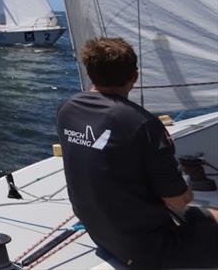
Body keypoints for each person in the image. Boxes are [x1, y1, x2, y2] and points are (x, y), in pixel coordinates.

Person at [56, 37, 218, 268]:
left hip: (101, 234)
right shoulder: (143, 124)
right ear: (134, 76)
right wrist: (188, 186)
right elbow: (178, 201)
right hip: (148, 249)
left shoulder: (67, 109)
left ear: (90, 72)